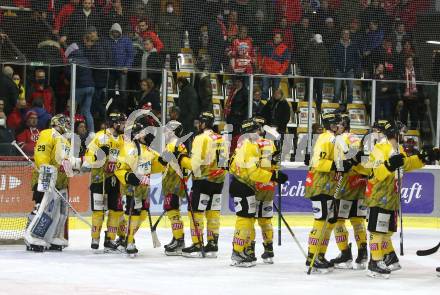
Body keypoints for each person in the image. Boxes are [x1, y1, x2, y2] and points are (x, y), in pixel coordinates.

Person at [365, 121, 437, 278]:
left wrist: (422, 158)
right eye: (402, 132)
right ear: (394, 133)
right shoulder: (380, 148)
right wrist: (389, 165)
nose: (404, 135)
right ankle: (374, 262)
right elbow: (375, 174)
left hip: (392, 196)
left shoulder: (399, 149)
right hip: (379, 195)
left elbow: (407, 164)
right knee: (377, 230)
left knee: (387, 231)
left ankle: (387, 256)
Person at [229, 117, 287, 267]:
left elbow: (231, 165)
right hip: (257, 184)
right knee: (255, 219)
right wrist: (275, 174)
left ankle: (248, 249)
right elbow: (261, 168)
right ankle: (262, 249)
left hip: (250, 185)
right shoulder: (261, 144)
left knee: (249, 219)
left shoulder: (242, 145)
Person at [304, 112, 356, 273]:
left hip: (329, 186)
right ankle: (313, 256)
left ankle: (320, 255)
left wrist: (346, 163)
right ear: (330, 124)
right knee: (321, 221)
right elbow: (318, 162)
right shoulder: (326, 138)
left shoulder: (335, 138)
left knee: (330, 221)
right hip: (320, 185)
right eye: (336, 123)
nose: (339, 125)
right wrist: (337, 165)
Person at [25, 114, 82, 252]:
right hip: (46, 178)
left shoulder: (66, 142)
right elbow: (41, 154)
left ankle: (53, 237)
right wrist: (46, 169)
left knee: (60, 213)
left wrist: (76, 166)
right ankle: (33, 236)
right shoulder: (48, 134)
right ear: (58, 123)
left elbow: (67, 163)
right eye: (67, 123)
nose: (69, 126)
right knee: (43, 208)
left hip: (60, 182)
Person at [176, 112, 227, 258]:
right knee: (213, 214)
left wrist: (181, 159)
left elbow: (194, 165)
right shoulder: (221, 138)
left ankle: (197, 245)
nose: (197, 125)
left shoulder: (200, 138)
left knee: (196, 213)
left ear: (204, 123)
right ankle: (212, 245)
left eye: (199, 123)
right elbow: (224, 164)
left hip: (202, 181)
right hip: (218, 182)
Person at [114, 120, 165, 256]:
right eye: (143, 133)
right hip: (130, 189)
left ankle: (125, 236)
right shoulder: (128, 148)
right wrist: (128, 176)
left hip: (143, 190)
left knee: (141, 215)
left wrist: (163, 161)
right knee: (133, 214)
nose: (146, 135)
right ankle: (129, 241)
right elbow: (119, 169)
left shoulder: (148, 150)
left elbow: (155, 166)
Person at [328, 114, 369, 270]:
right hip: (360, 183)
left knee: (338, 220)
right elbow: (364, 160)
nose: (333, 128)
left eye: (336, 125)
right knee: (358, 219)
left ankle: (345, 253)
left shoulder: (340, 139)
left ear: (342, 126)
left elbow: (346, 161)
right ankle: (363, 253)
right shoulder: (355, 138)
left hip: (345, 183)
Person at [84, 112, 126, 252]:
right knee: (98, 211)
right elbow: (88, 157)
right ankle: (95, 238)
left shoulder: (123, 139)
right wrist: (99, 155)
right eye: (122, 122)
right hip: (99, 179)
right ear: (114, 123)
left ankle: (110, 239)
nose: (125, 125)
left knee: (115, 210)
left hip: (115, 180)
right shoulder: (101, 136)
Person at [160, 121, 188, 255]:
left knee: (172, 210)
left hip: (174, 182)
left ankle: (179, 240)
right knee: (173, 209)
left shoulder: (173, 144)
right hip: (174, 181)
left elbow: (162, 161)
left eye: (168, 130)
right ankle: (177, 237)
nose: (165, 132)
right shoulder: (178, 144)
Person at [105, 23, 135, 111]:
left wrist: (127, 66)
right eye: (113, 32)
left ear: (120, 32)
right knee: (110, 90)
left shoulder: (126, 41)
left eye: (116, 32)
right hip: (111, 71)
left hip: (122, 71)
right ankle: (111, 109)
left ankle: (123, 110)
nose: (115, 34)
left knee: (123, 91)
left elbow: (130, 55)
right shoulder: (108, 41)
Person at [331, 30, 361, 104]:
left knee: (350, 90)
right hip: (339, 71)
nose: (346, 35)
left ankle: (349, 107)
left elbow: (357, 58)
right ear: (342, 35)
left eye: (347, 34)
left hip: (350, 71)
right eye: (344, 34)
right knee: (337, 90)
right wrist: (335, 67)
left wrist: (355, 69)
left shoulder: (354, 45)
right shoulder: (336, 45)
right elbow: (332, 57)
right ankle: (335, 107)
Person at [258, 33, 290, 99]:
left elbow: (286, 62)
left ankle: (274, 105)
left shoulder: (285, 48)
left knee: (276, 90)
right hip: (266, 71)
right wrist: (260, 65)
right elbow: (260, 55)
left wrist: (281, 72)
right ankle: (264, 105)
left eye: (278, 37)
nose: (275, 38)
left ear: (281, 39)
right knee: (264, 89)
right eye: (275, 37)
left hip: (277, 73)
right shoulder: (267, 45)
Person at [224, 77, 248, 153]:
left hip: (238, 120)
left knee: (236, 136)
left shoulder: (245, 92)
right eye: (236, 81)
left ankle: (235, 151)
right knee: (229, 135)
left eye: (238, 81)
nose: (236, 83)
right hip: (230, 117)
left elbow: (248, 105)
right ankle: (230, 151)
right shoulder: (233, 90)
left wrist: (240, 112)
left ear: (241, 82)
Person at [175, 77, 200, 149]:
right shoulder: (186, 90)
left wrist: (188, 119)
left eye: (178, 84)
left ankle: (188, 152)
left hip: (188, 119)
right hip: (186, 118)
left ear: (181, 83)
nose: (178, 86)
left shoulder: (188, 91)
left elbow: (193, 107)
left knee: (188, 137)